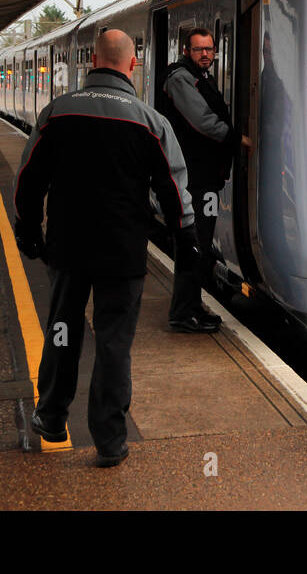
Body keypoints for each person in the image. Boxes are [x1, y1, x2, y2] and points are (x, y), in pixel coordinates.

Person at [13, 29, 198, 468]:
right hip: (123, 253)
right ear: (132, 65)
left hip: (68, 248)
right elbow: (173, 188)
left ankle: (53, 417)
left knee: (62, 329)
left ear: (92, 60)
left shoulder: (57, 113)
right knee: (114, 345)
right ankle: (110, 442)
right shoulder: (150, 122)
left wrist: (27, 228)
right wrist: (184, 236)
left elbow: (28, 178)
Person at [161, 27, 250, 333]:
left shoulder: (202, 77)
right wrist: (237, 138)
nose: (205, 55)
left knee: (200, 245)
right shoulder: (181, 78)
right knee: (194, 244)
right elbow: (202, 121)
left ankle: (193, 305)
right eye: (199, 49)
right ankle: (183, 313)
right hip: (193, 179)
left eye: (210, 50)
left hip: (205, 177)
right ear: (187, 50)